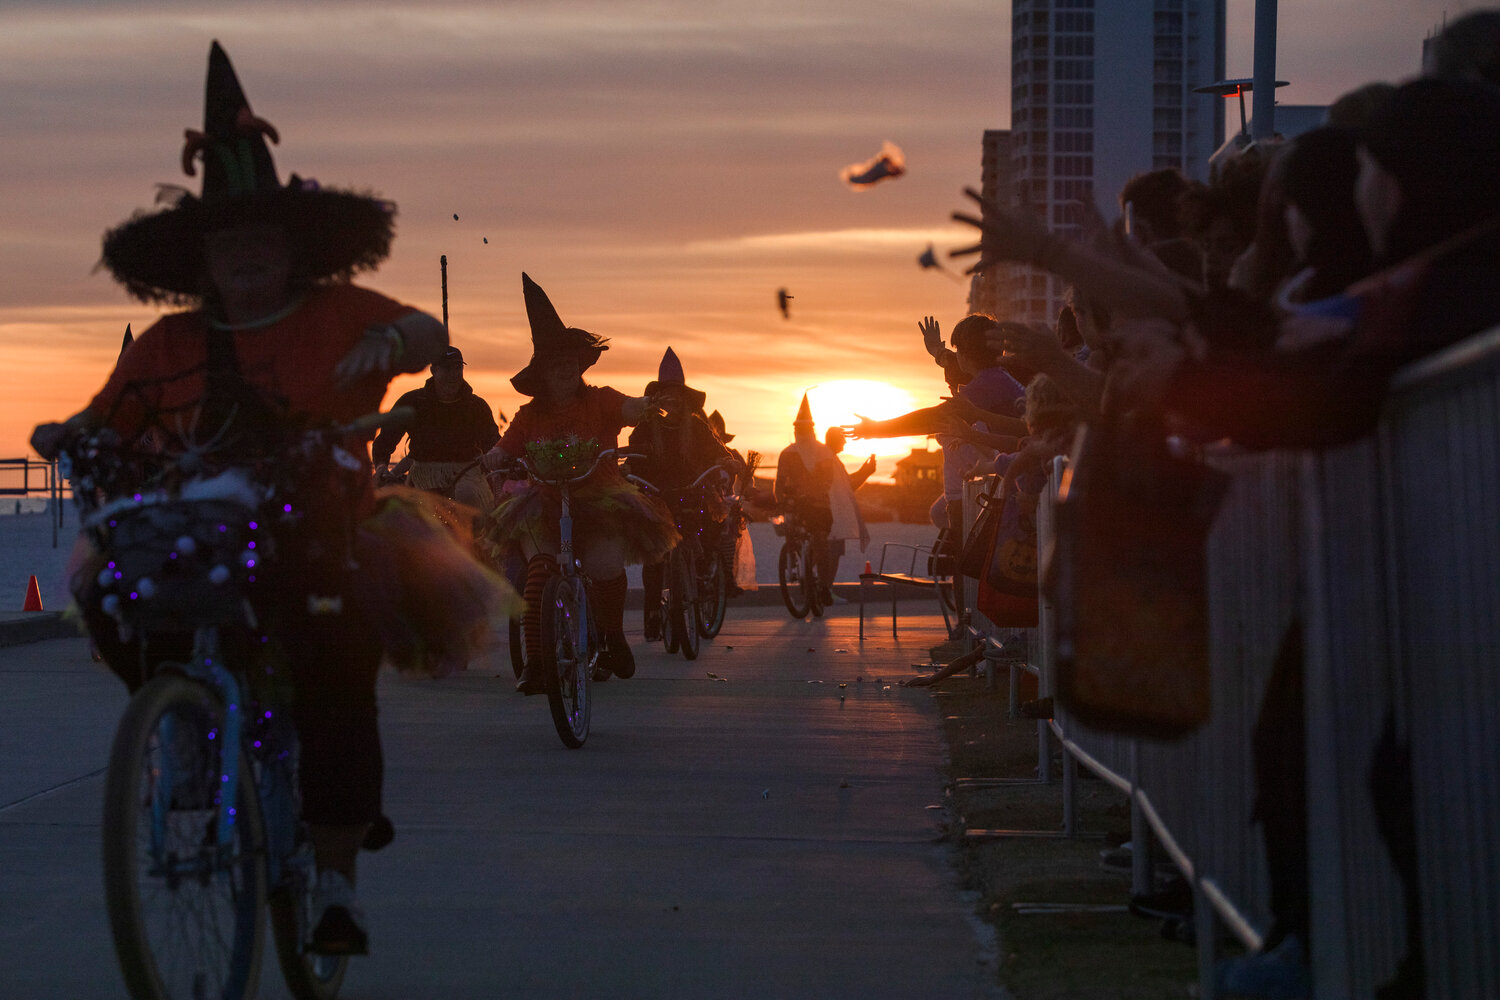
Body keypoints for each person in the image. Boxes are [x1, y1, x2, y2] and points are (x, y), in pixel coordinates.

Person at [28, 42, 506, 957]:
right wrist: (62, 435)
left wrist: (397, 339)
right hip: (202, 528)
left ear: (290, 249)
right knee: (115, 592)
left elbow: (425, 330)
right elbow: (106, 415)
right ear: (203, 259)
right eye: (227, 243)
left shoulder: (331, 313)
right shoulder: (170, 341)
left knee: (335, 673)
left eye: (260, 240)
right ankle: (179, 721)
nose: (244, 254)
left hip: (322, 524)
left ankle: (335, 880)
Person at [482, 274, 678, 690]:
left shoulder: (599, 399)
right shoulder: (529, 416)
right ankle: (536, 663)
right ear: (544, 374)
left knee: (605, 565)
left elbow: (627, 407)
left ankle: (610, 637)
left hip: (601, 500)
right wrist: (495, 456)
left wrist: (645, 406)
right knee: (539, 571)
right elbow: (505, 445)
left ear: (579, 366)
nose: (566, 369)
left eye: (571, 362)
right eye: (557, 365)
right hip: (546, 504)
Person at [627, 348, 741, 639]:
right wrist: (628, 469)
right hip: (656, 496)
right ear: (657, 399)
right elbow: (633, 458)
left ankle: (703, 578)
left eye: (676, 396)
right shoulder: (644, 427)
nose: (671, 401)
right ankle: (652, 610)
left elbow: (719, 452)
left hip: (693, 495)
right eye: (665, 396)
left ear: (685, 399)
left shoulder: (699, 427)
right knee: (654, 556)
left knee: (705, 537)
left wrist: (725, 460)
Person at [372, 345, 499, 510]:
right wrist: (381, 466)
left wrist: (498, 455)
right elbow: (385, 439)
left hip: (467, 473)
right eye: (447, 368)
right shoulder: (413, 402)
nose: (453, 375)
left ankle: (473, 533)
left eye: (458, 367)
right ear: (433, 370)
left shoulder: (476, 406)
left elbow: (492, 441)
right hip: (424, 473)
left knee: (466, 494)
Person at [773, 396, 855, 599]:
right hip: (797, 506)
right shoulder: (788, 454)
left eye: (802, 429)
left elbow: (826, 480)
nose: (799, 433)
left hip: (818, 505)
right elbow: (780, 481)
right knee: (794, 535)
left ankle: (825, 587)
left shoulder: (822, 453)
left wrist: (812, 492)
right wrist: (780, 501)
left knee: (820, 541)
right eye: (797, 429)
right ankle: (803, 568)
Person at [820, 425, 875, 604]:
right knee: (831, 555)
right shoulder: (829, 459)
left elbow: (845, 485)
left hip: (827, 515)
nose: (845, 442)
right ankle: (825, 591)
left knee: (827, 554)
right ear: (835, 439)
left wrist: (865, 472)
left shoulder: (830, 458)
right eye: (842, 438)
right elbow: (847, 487)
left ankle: (823, 591)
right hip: (831, 517)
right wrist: (866, 472)